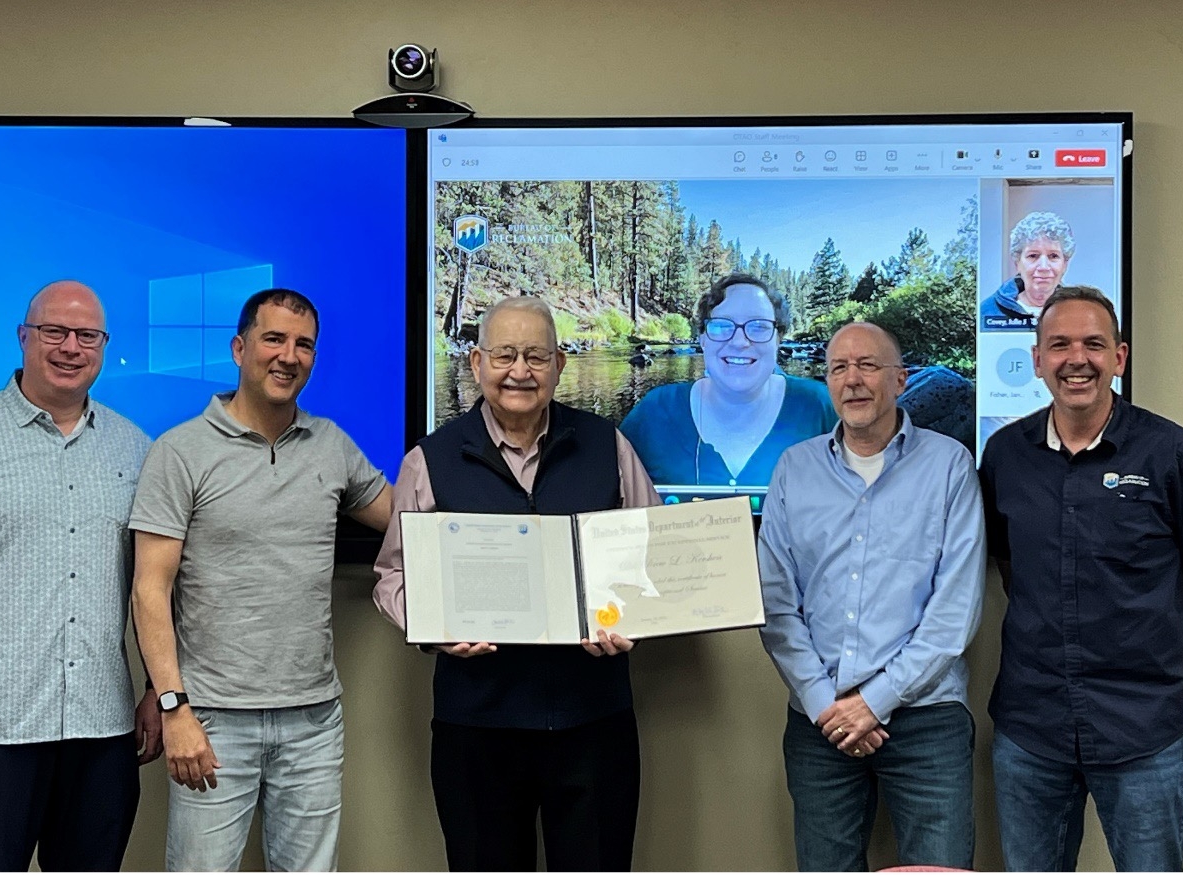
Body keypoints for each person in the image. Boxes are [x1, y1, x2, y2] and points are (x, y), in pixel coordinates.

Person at [374, 295, 659, 872]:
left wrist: (634, 616)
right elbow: (391, 576)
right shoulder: (430, 460)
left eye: (535, 355)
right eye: (505, 355)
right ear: (477, 363)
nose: (520, 371)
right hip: (477, 728)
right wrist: (433, 626)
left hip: (593, 723)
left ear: (559, 363)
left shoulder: (608, 445)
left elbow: (653, 557)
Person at [130, 288, 392, 872]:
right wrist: (174, 709)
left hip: (314, 721)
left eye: (303, 345)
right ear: (239, 347)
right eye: (273, 339)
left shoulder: (331, 445)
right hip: (212, 720)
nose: (288, 356)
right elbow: (150, 590)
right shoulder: (180, 452)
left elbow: (407, 521)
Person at [978, 285, 1183, 872]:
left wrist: (1146, 652)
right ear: (1038, 357)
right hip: (1031, 730)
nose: (1077, 359)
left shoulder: (1173, 454)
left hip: (1143, 731)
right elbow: (1010, 569)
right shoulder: (1004, 456)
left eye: (1094, 345)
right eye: (1060, 345)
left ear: (1119, 357)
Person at [0, 281, 160, 871]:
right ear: (24, 337)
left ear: (103, 346)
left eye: (87, 335)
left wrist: (158, 688)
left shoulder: (136, 450)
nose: (71, 347)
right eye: (55, 331)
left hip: (102, 731)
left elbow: (159, 581)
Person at [758, 321, 986, 872]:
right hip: (819, 722)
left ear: (901, 379)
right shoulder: (795, 469)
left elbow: (954, 611)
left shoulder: (950, 465)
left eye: (868, 366)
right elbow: (775, 602)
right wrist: (824, 704)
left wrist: (874, 702)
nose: (853, 380)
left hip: (927, 717)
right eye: (839, 368)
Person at [620, 273, 835, 487]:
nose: (740, 341)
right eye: (722, 325)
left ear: (778, 339)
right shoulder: (655, 412)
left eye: (759, 326)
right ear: (702, 338)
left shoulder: (820, 407)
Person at [980, 211, 1075, 330]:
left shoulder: (1079, 312)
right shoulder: (986, 312)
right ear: (1017, 263)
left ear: (1065, 264)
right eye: (1033, 256)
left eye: (1053, 256)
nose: (1044, 267)